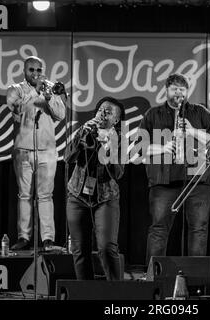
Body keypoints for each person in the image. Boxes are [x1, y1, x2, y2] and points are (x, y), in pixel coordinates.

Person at [138, 73, 210, 267]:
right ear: (166, 90)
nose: (179, 93)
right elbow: (139, 147)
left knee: (198, 229)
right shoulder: (153, 114)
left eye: (182, 89)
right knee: (159, 229)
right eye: (174, 89)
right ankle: (153, 278)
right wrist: (162, 148)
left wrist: (192, 131)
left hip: (197, 180)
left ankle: (196, 280)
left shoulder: (200, 112)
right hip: (164, 181)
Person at [6, 56, 65, 251]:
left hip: (47, 150)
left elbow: (60, 115)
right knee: (24, 195)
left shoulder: (49, 89)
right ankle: (24, 237)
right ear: (25, 71)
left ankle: (47, 239)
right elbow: (16, 108)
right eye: (31, 70)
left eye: (39, 70)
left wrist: (48, 97)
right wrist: (35, 92)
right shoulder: (16, 89)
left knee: (45, 196)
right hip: (23, 150)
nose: (36, 74)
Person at [65, 96, 125, 280]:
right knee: (79, 250)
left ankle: (117, 295)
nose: (103, 114)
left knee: (106, 248)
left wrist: (107, 145)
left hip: (105, 199)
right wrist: (82, 132)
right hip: (77, 197)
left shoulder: (119, 140)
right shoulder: (85, 131)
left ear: (116, 120)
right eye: (100, 110)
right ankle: (86, 292)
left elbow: (117, 173)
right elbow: (68, 158)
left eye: (108, 113)